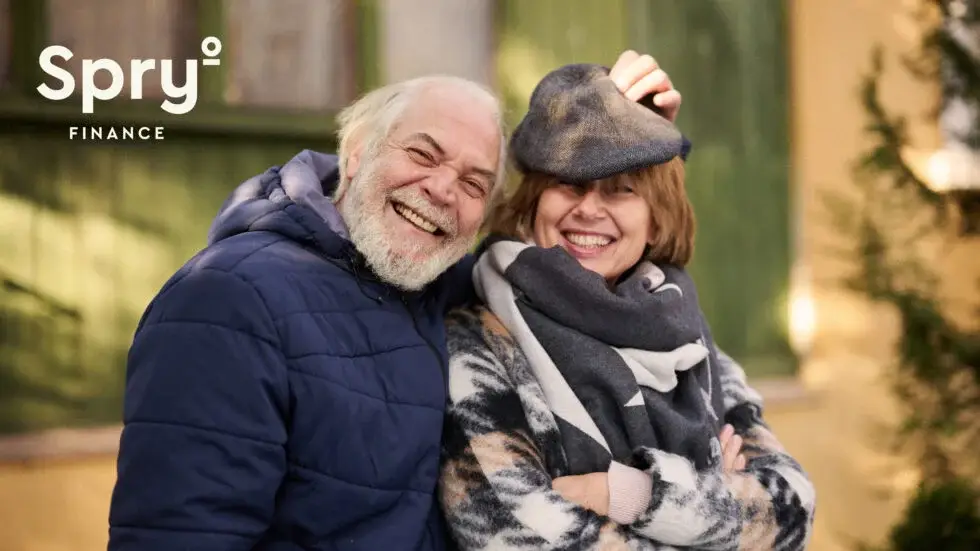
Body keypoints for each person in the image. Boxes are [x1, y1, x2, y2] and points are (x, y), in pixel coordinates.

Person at [106, 51, 684, 550]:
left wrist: (640, 143)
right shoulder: (229, 301)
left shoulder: (449, 288)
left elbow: (597, 270)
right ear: (356, 152)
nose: (440, 189)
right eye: (423, 154)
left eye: (473, 183)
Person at [438, 56, 817, 550]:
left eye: (622, 191)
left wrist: (629, 493)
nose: (590, 209)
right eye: (570, 183)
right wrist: (714, 507)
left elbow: (791, 510)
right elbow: (516, 538)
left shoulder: (685, 336)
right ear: (533, 203)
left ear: (656, 221)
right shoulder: (478, 340)